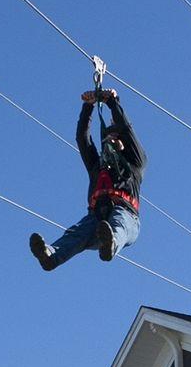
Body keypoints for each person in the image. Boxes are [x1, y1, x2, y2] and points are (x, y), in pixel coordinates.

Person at [29, 86, 146, 271]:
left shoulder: (135, 163)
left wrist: (112, 103)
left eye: (117, 137)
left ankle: (111, 244)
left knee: (119, 222)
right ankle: (51, 256)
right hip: (97, 218)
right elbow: (82, 138)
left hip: (127, 215)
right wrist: (88, 107)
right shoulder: (97, 166)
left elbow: (126, 129)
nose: (112, 140)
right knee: (78, 232)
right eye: (109, 138)